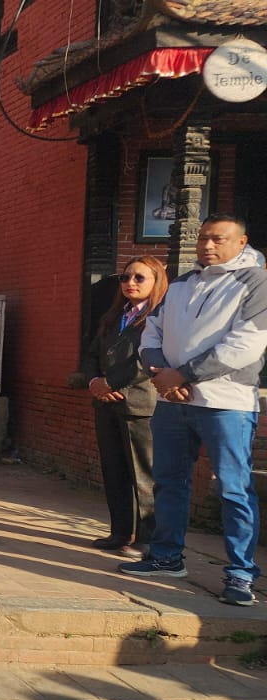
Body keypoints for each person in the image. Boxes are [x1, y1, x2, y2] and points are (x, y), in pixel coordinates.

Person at [121, 215, 265, 607]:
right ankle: (167, 557)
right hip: (172, 402)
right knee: (168, 481)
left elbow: (246, 346)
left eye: (219, 239)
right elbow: (151, 333)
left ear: (241, 242)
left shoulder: (255, 282)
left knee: (233, 488)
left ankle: (240, 574)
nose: (207, 245)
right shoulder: (183, 283)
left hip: (226, 403)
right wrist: (162, 375)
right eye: (203, 238)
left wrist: (182, 375)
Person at [73, 256, 167, 560]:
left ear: (156, 281)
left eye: (139, 278)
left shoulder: (159, 317)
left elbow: (147, 361)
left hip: (139, 405)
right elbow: (92, 354)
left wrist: (111, 383)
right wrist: (94, 382)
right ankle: (120, 531)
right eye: (126, 278)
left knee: (143, 475)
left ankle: (147, 539)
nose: (130, 283)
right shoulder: (115, 316)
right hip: (106, 403)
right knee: (114, 470)